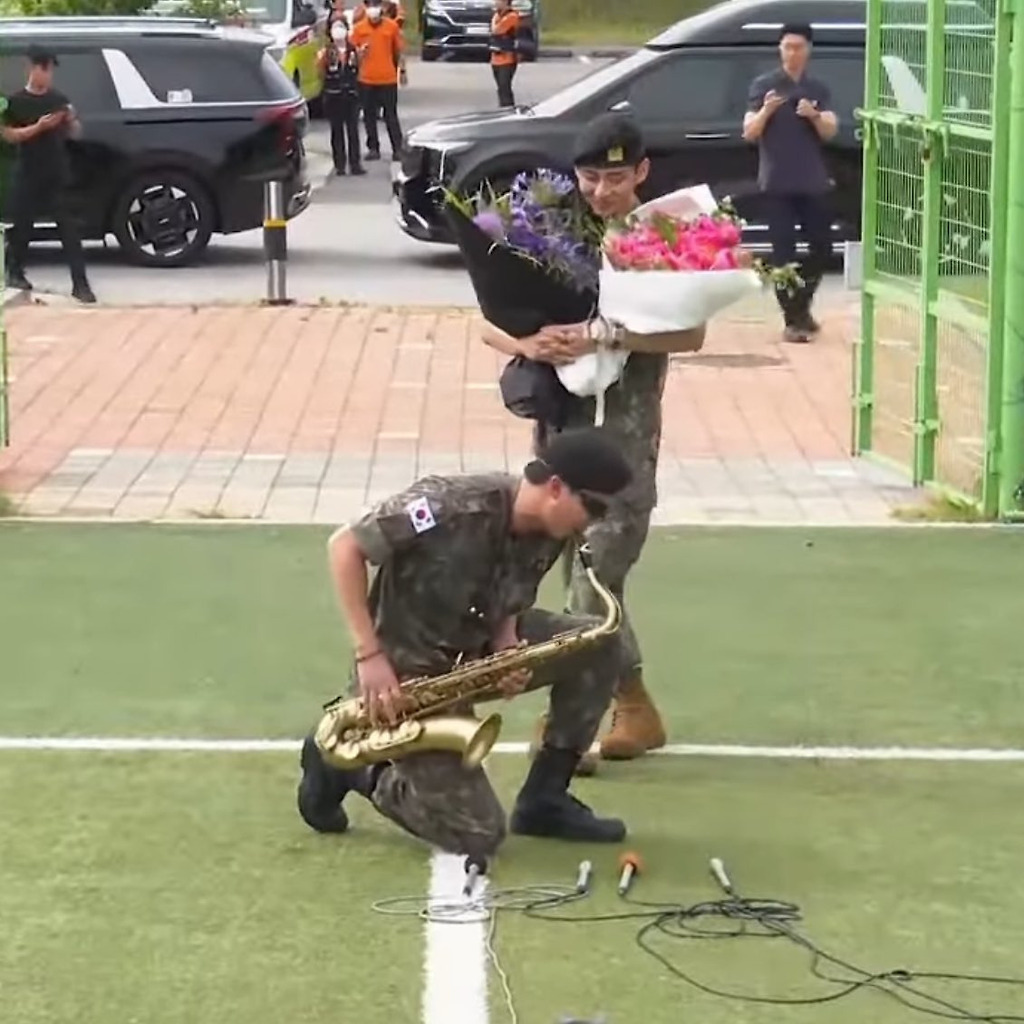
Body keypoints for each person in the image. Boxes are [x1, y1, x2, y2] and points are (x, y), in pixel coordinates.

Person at [479, 114, 706, 776]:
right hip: (560, 431)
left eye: (615, 177)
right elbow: (486, 319)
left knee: (595, 580)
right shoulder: (549, 230)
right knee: (574, 576)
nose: (601, 191)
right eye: (589, 178)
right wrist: (529, 343)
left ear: (641, 172)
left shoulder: (663, 235)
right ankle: (633, 703)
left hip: (622, 443)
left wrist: (608, 335)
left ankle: (570, 722)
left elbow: (691, 337)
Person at [297, 427, 636, 858]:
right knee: (477, 833)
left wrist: (507, 642)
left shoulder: (551, 528)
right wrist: (370, 654)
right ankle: (353, 771)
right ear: (555, 487)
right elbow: (345, 547)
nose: (593, 522)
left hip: (473, 652)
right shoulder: (450, 505)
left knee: (599, 643)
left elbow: (512, 593)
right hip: (405, 671)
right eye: (594, 507)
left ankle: (545, 799)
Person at [742, 22, 838, 344]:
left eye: (798, 47)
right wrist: (767, 111)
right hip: (777, 183)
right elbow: (749, 132)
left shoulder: (817, 88)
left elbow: (830, 130)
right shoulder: (765, 85)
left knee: (822, 247)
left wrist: (814, 115)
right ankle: (792, 320)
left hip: (812, 180)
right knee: (783, 253)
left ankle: (802, 307)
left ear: (808, 50)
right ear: (780, 49)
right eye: (787, 47)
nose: (792, 53)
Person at [1, 46, 95, 304]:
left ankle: (81, 285)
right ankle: (15, 273)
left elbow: (75, 133)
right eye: (43, 68)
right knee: (22, 229)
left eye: (50, 69)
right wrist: (39, 127)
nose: (47, 74)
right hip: (28, 173)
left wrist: (71, 119)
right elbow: (9, 136)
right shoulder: (16, 101)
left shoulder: (58, 99)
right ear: (31, 68)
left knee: (69, 231)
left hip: (56, 173)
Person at [349, 3, 404, 161]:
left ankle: (398, 148)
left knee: (390, 115)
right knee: (369, 115)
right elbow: (352, 55)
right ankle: (373, 148)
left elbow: (398, 51)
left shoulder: (392, 27)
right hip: (366, 79)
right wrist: (359, 53)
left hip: (388, 79)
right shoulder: (359, 29)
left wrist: (402, 71)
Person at [317, 20, 365, 176]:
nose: (338, 31)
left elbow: (359, 69)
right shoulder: (327, 52)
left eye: (341, 27)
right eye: (335, 27)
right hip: (333, 96)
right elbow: (320, 73)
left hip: (351, 95)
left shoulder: (354, 50)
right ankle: (340, 165)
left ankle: (355, 164)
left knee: (353, 131)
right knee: (336, 132)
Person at [489, 0, 520, 109]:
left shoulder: (512, 16)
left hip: (508, 59)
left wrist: (494, 21)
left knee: (505, 87)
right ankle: (503, 108)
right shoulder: (498, 15)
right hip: (495, 59)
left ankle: (509, 109)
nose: (496, 2)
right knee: (501, 88)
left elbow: (497, 30)